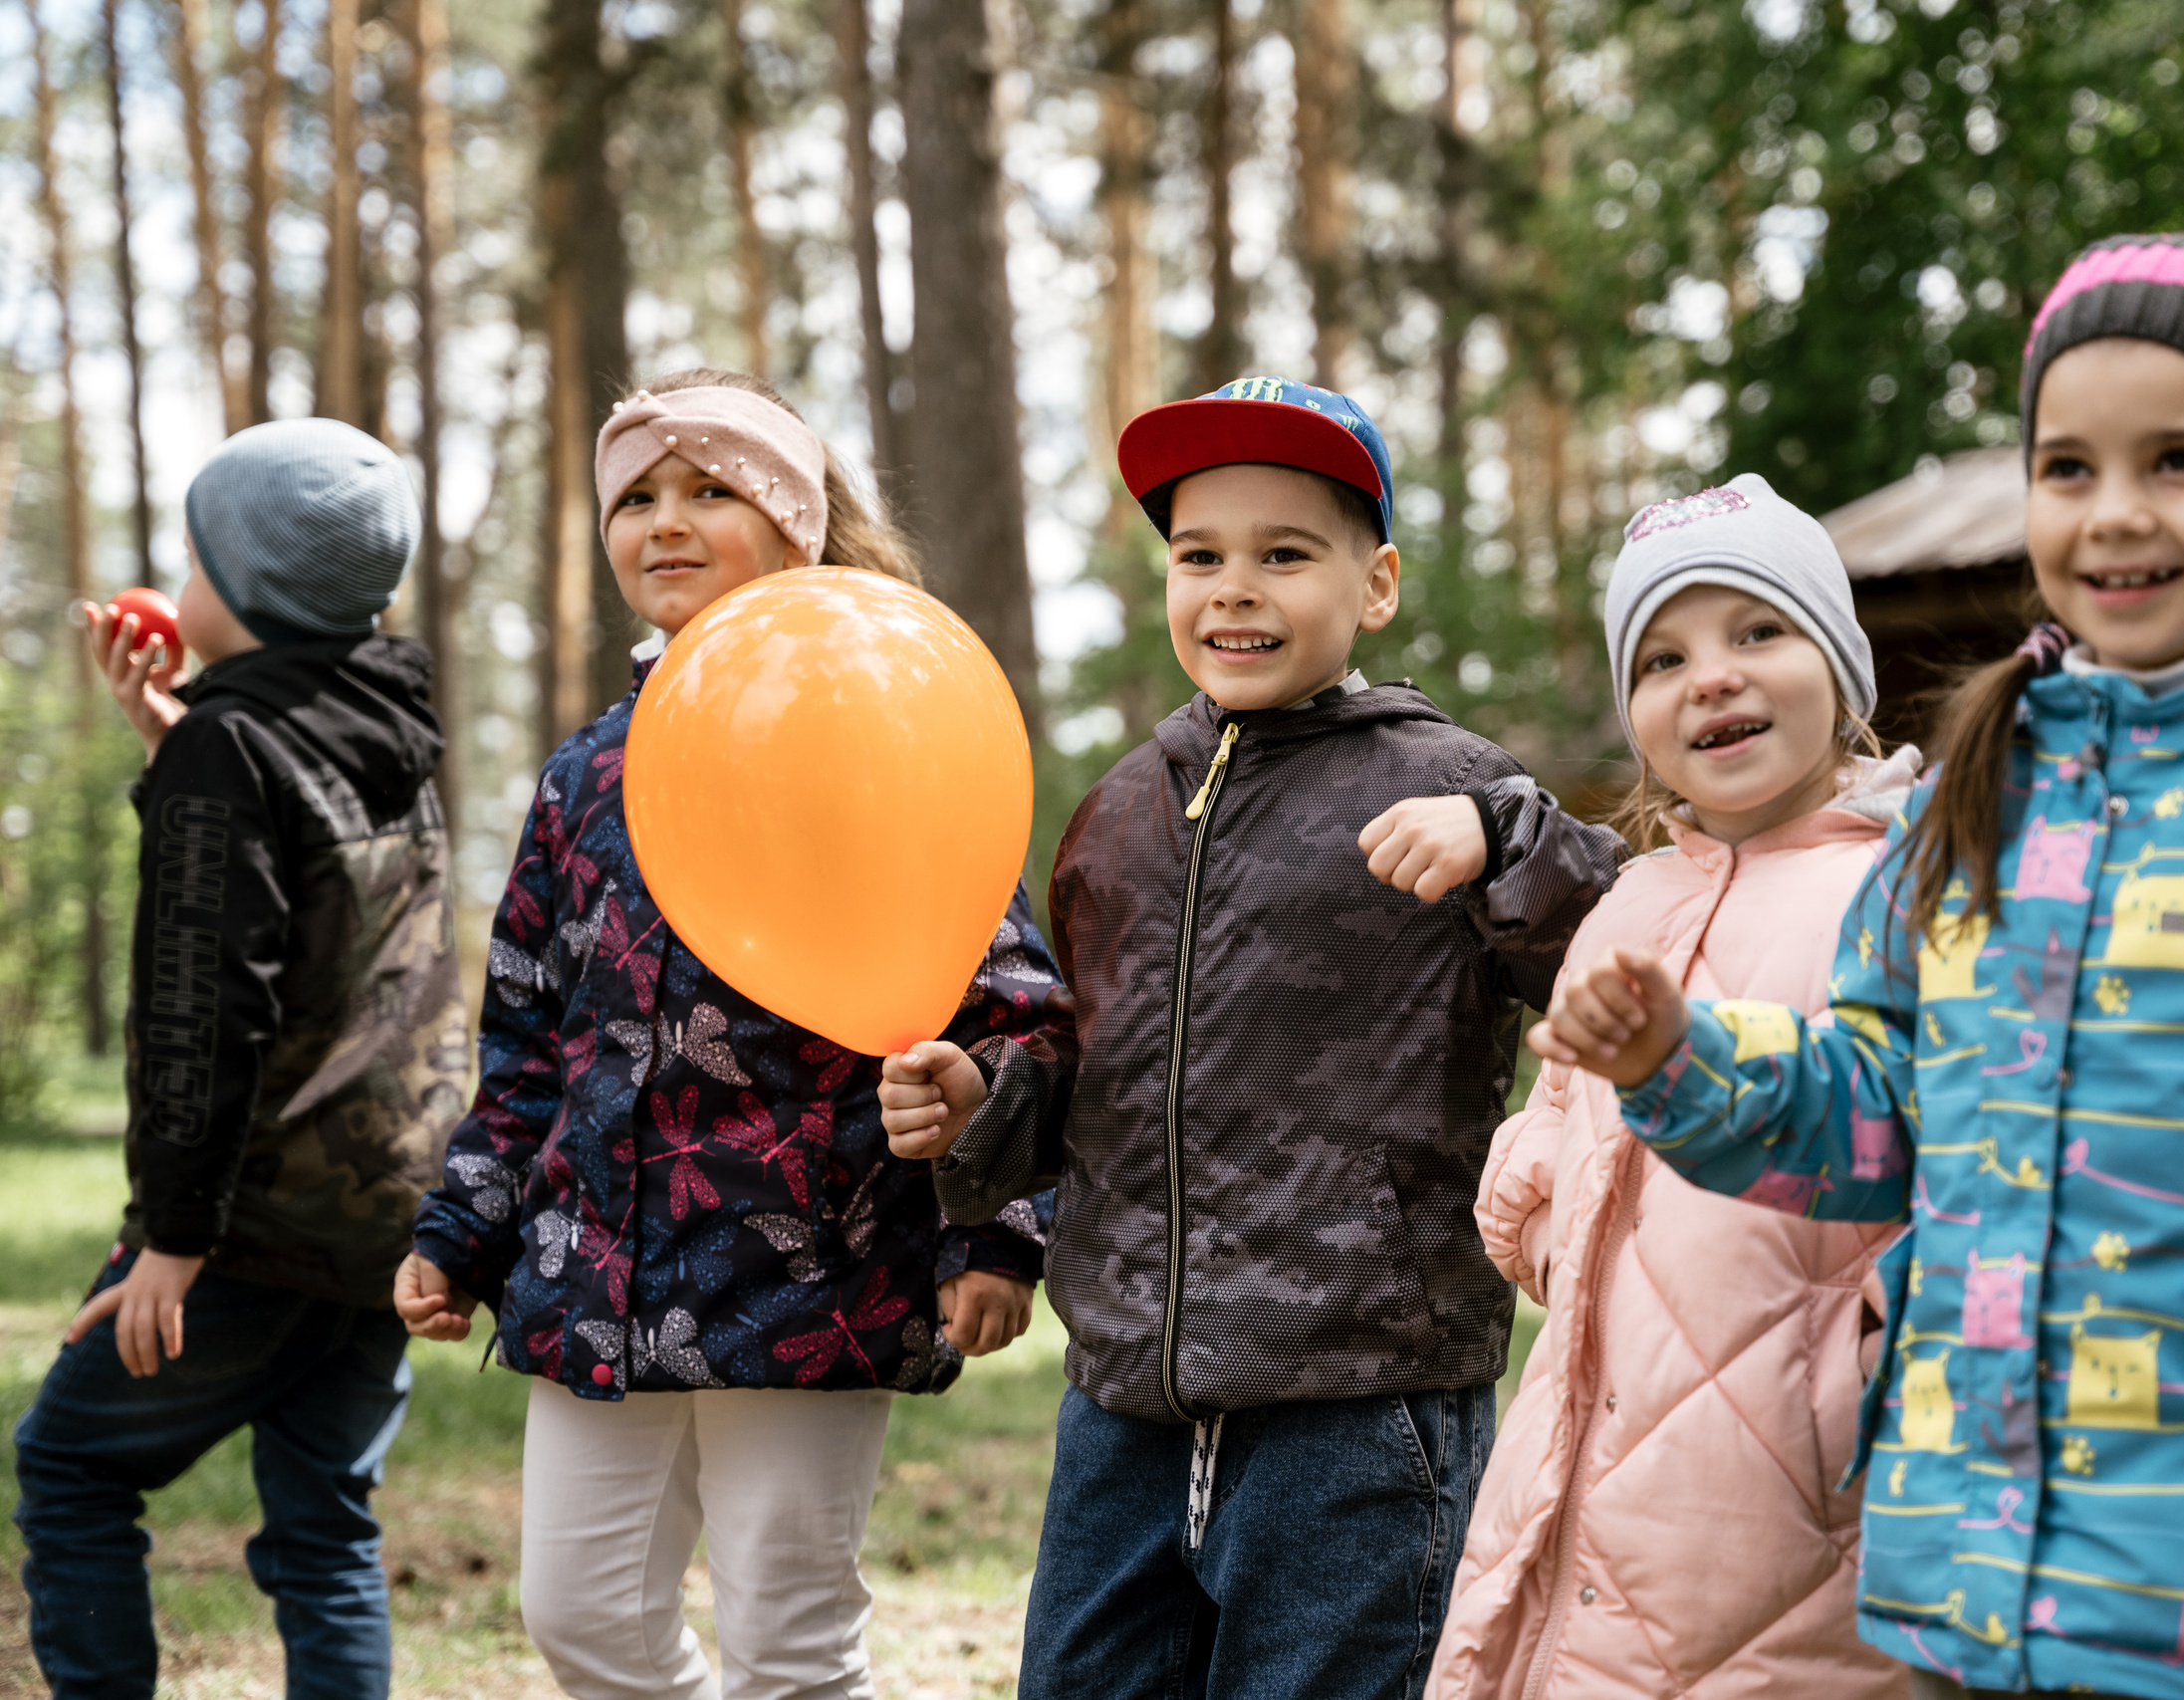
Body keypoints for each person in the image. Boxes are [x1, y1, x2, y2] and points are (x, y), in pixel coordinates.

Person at [1535, 234, 2184, 1700]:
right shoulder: (1983, 789)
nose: (2114, 510)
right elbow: (1883, 1113)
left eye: (2178, 460)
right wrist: (1683, 1063)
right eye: (2067, 467)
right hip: (1972, 1581)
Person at [879, 375, 1624, 1698]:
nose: (1234, 588)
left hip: (1358, 1401)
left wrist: (1509, 838)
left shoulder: (1448, 785)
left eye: (1284, 554)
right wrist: (988, 1101)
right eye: (1200, 555)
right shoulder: (1120, 812)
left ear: (1374, 585)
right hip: (1123, 1401)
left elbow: (1627, 946)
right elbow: (1098, 1064)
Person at [395, 369, 1062, 1700]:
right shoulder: (584, 771)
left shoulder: (878, 724)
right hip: (598, 1266)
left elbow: (1004, 1007)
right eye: (634, 497)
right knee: (579, 1613)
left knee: (790, 1638)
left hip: (813, 1261)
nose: (665, 520)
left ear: (799, 521)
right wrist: (462, 1227)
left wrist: (995, 1229)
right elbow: (526, 1032)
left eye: (712, 488)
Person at [1426, 474, 1916, 1699]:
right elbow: (1555, 1119)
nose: (1712, 678)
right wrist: (1546, 1222)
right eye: (1663, 658)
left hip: (1794, 1479)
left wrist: (1865, 1358)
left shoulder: (1907, 892)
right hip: (1586, 1434)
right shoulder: (1630, 901)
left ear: (1843, 670)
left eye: (1758, 631)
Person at [14, 419, 467, 1700]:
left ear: (250, 584)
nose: (181, 583)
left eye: (195, 558)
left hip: (253, 1224)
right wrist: (170, 740)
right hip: (389, 1217)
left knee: (69, 1462)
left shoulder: (231, 747)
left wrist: (174, 1236)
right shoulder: (387, 728)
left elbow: (202, 1007)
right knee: (326, 1527)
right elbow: (324, 922)